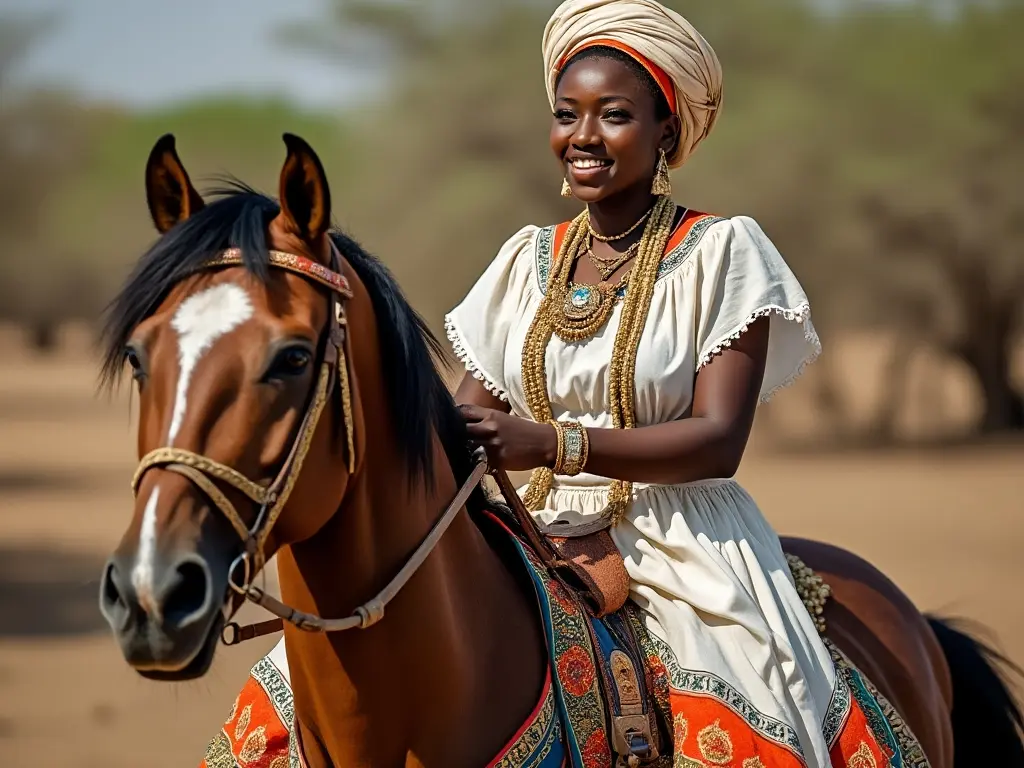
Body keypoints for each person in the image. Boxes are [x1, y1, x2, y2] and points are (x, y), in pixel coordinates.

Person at [443, 1, 879, 765]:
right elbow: (461, 427)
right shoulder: (521, 260)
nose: (582, 136)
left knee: (749, 712)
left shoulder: (721, 252)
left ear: (666, 132)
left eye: (613, 115)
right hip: (531, 528)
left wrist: (550, 441)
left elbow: (718, 441)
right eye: (565, 114)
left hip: (679, 538)